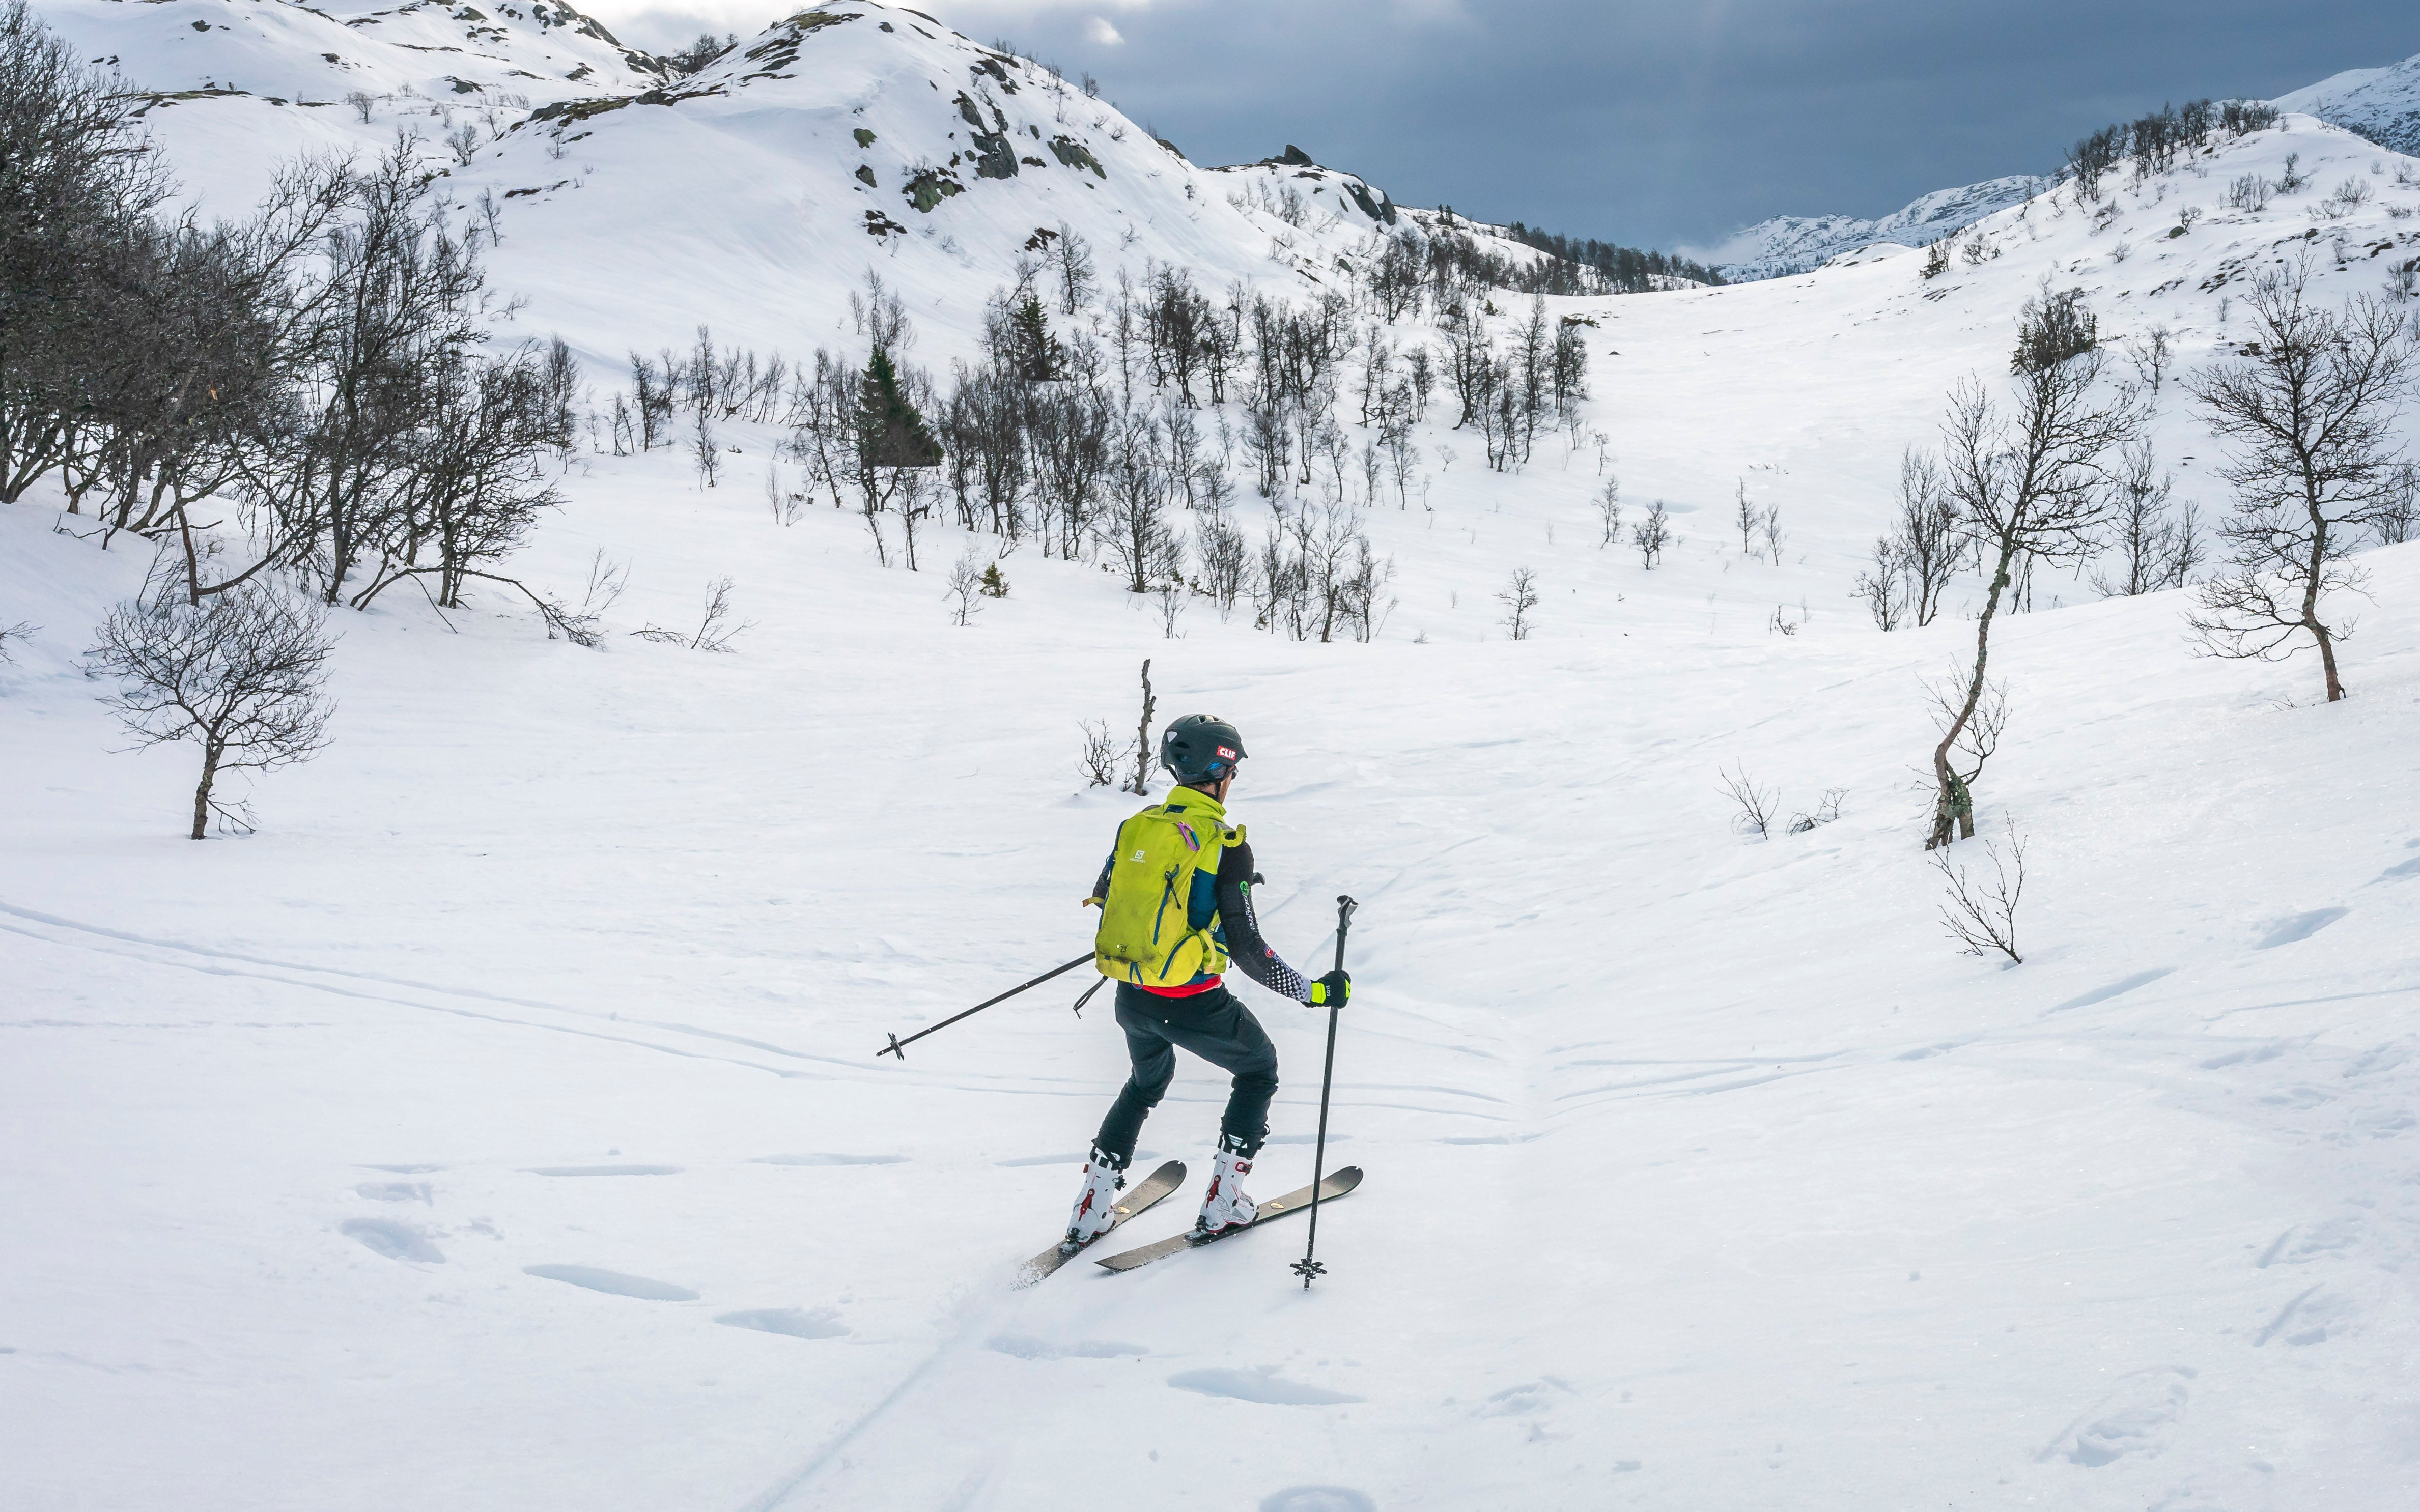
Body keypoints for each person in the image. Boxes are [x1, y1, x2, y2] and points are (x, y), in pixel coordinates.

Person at [1065, 715, 1350, 1246]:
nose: (1233, 778)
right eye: (1233, 768)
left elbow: (1109, 899)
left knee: (1145, 1084)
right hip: (1194, 1002)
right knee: (1259, 1069)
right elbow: (1248, 950)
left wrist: (1202, 903)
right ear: (1219, 769)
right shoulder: (1225, 842)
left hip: (1133, 997)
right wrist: (1313, 992)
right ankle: (1222, 1203)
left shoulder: (1138, 825)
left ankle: (1089, 1206)